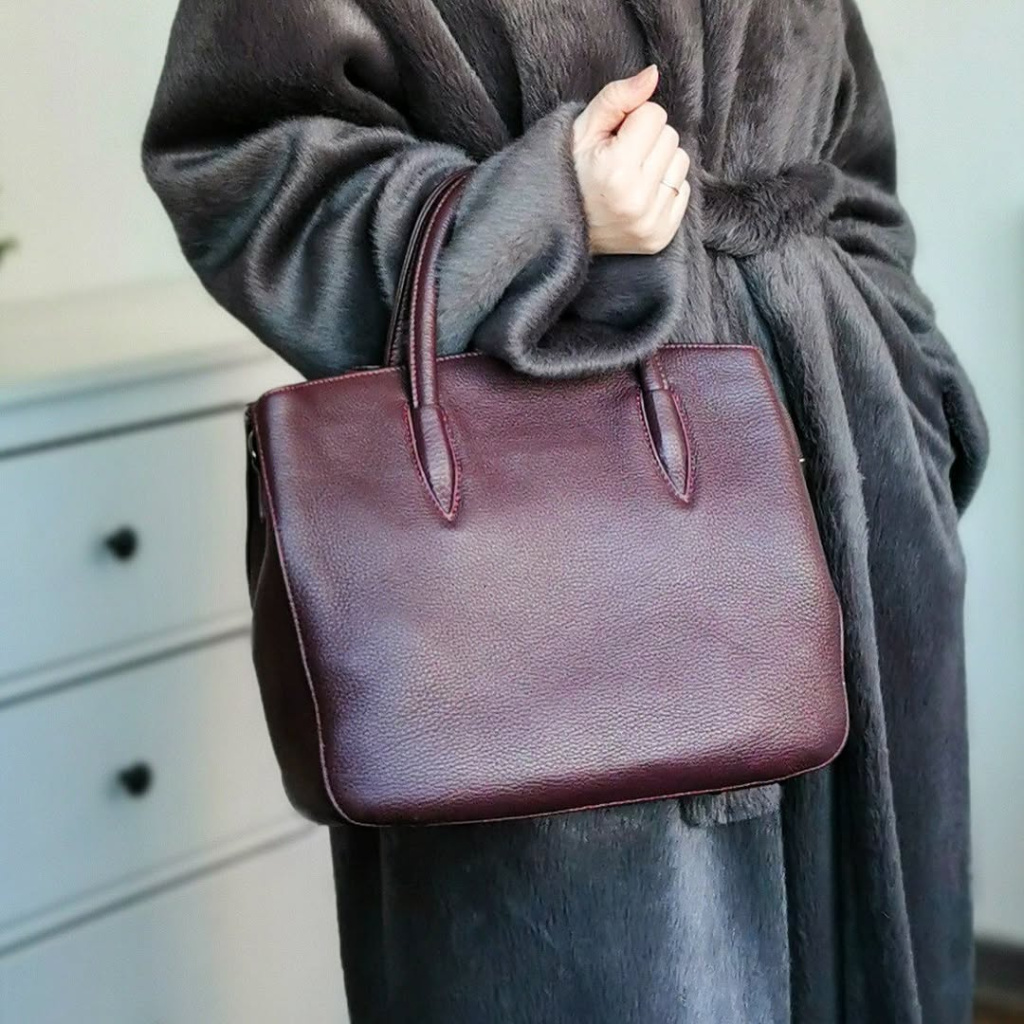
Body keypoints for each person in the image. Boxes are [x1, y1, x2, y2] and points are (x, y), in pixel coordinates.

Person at [143, 2, 988, 1021]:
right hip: (552, 545)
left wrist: (918, 388)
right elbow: (237, 162)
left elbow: (853, 159)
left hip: (854, 487)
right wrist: (540, 214)